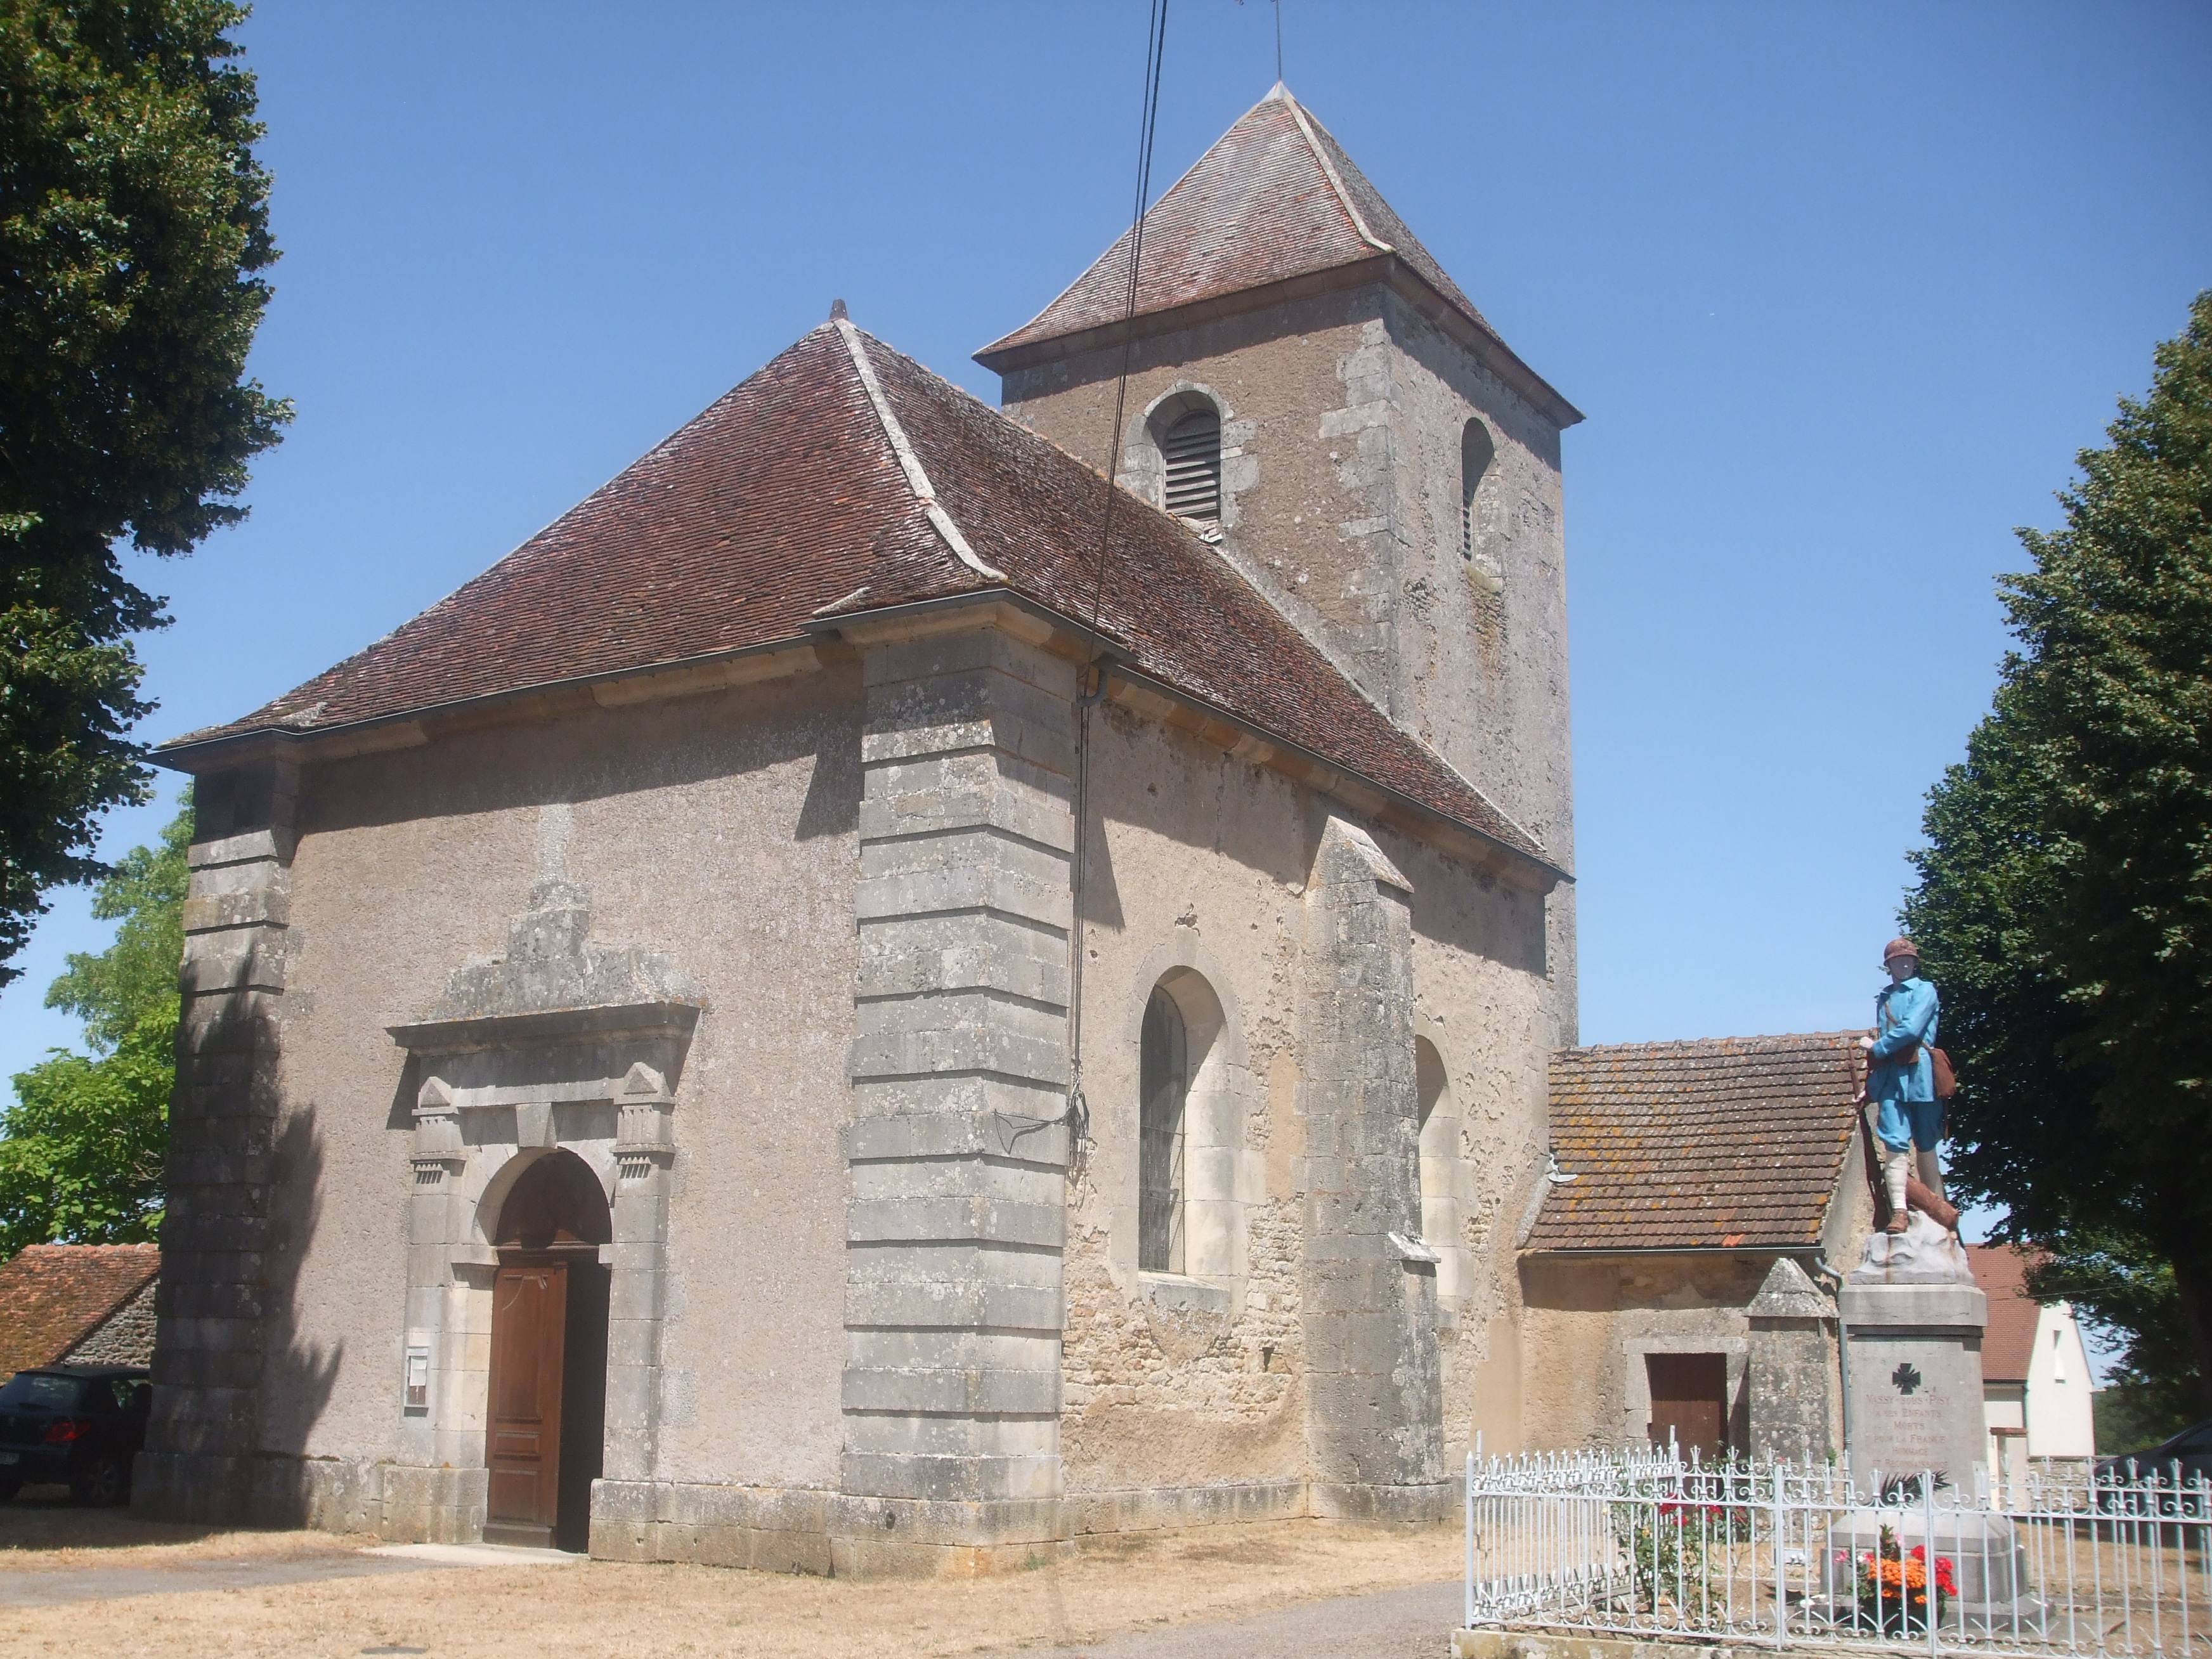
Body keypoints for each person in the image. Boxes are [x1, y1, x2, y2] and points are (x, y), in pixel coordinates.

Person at [1862, 937, 1940, 1234]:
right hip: (1892, 1080)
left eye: (1909, 960)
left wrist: (1877, 1047)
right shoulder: (1884, 998)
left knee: (1926, 1141)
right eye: (1898, 961)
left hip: (1921, 1075)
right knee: (1894, 1143)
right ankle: (1900, 1212)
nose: (1904, 964)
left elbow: (1911, 1028)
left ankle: (1931, 1208)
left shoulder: (1925, 990)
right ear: (1889, 966)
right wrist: (1871, 1086)